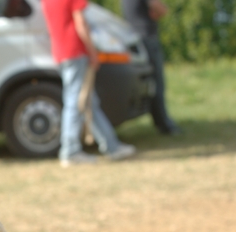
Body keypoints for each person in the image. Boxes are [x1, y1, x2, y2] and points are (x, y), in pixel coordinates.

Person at [41, 0, 136, 167]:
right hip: (75, 51)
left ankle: (112, 146)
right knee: (75, 102)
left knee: (88, 101)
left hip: (60, 51)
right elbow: (81, 22)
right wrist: (93, 51)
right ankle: (70, 150)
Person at [122, 0, 181, 135]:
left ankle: (160, 121)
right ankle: (164, 124)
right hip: (147, 37)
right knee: (157, 83)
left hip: (133, 38)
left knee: (148, 82)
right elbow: (160, 9)